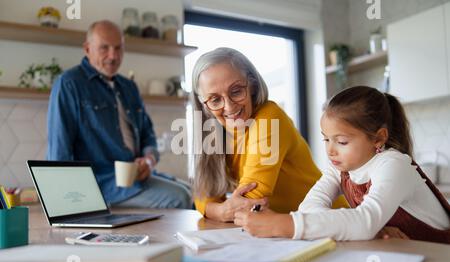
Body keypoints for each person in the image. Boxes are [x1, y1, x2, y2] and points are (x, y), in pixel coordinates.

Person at [235, 86, 450, 244]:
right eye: (326, 139)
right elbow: (308, 207)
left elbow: (364, 221)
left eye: (342, 141)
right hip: (404, 253)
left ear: (378, 139)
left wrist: (279, 224)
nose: (330, 150)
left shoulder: (393, 164)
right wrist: (368, 229)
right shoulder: (340, 168)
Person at [191, 47, 348, 222]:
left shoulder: (270, 117)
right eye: (215, 99)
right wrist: (220, 211)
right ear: (204, 105)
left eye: (236, 91)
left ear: (252, 85)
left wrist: (220, 209)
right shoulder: (215, 133)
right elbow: (202, 196)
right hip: (284, 230)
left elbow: (251, 202)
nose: (229, 107)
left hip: (330, 221)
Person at [47, 20, 191, 209]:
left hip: (135, 179)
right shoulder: (69, 84)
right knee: (180, 197)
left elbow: (148, 134)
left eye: (118, 48)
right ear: (87, 48)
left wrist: (149, 160)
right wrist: (67, 205)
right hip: (100, 186)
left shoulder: (129, 87)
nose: (113, 56)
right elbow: (59, 153)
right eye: (104, 48)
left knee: (190, 190)